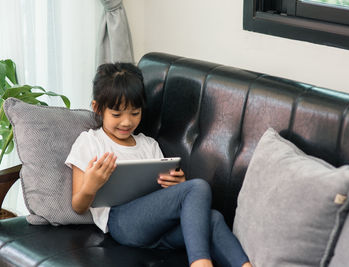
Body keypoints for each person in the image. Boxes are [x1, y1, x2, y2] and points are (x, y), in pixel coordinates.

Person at [65, 63, 252, 267]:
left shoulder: (148, 144)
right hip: (122, 222)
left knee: (212, 218)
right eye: (117, 115)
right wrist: (91, 186)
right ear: (97, 109)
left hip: (158, 231)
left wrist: (177, 186)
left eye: (135, 113)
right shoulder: (90, 141)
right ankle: (200, 264)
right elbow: (78, 206)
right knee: (198, 187)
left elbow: (162, 196)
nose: (126, 122)